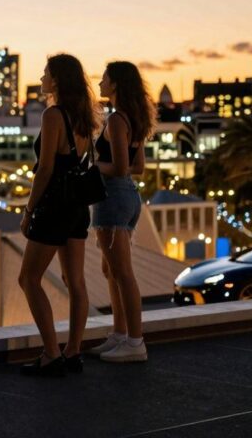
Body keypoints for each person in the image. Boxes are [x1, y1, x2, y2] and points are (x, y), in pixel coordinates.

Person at [18, 53, 96, 377]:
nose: (41, 78)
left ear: (58, 80)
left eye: (45, 73)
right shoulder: (84, 118)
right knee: (75, 281)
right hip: (77, 206)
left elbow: (46, 168)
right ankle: (73, 351)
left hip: (53, 207)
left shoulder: (53, 115)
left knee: (28, 278)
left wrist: (28, 210)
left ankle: (51, 353)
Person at [86, 61, 154, 363]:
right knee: (110, 269)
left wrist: (91, 166)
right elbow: (138, 167)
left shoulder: (116, 120)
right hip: (129, 197)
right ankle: (119, 333)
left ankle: (135, 341)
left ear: (115, 84)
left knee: (123, 273)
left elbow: (119, 167)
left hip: (112, 197)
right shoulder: (134, 118)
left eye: (104, 78)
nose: (100, 82)